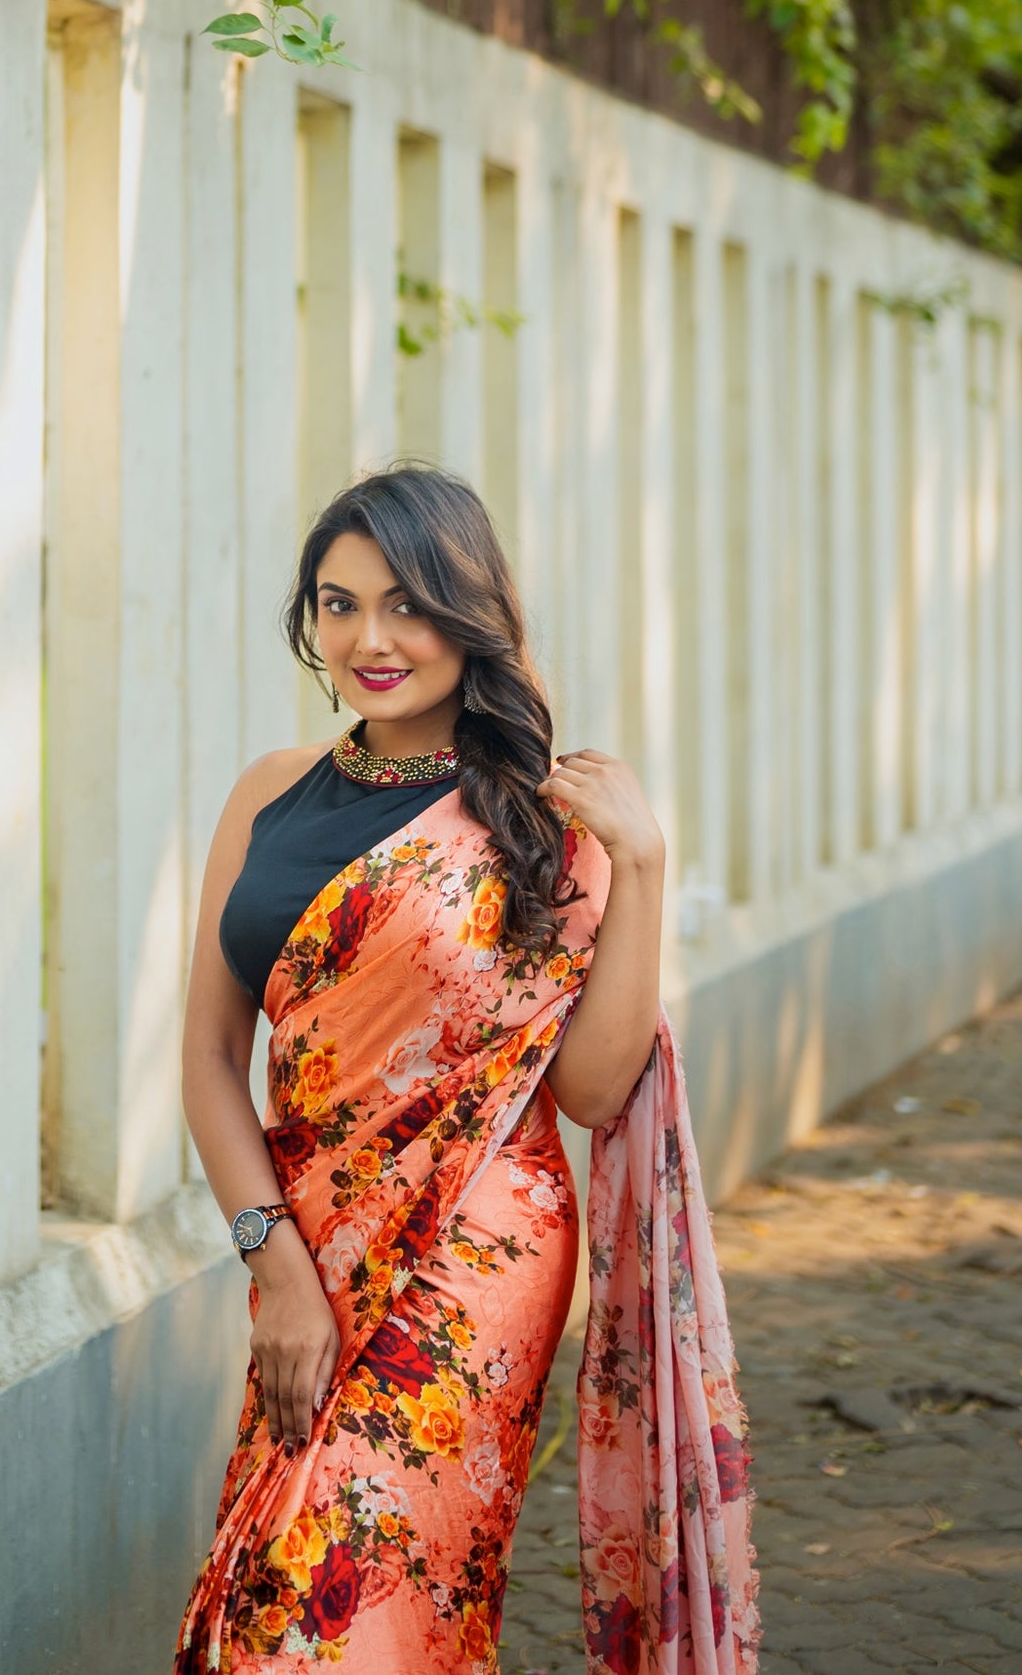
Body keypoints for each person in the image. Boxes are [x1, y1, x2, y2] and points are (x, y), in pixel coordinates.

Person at [176, 464, 758, 1673]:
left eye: (407, 603)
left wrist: (639, 866)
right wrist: (272, 1263)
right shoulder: (267, 793)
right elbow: (209, 1056)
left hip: (471, 1256)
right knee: (281, 1576)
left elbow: (593, 1093)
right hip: (304, 1236)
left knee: (335, 1601)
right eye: (337, 605)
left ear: (468, 608)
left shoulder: (539, 824)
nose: (369, 639)